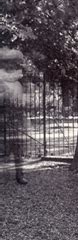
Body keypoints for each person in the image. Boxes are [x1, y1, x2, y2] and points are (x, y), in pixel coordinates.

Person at [0, 47, 27, 185]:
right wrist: (4, 97)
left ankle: (19, 175)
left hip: (17, 118)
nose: (10, 65)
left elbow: (23, 100)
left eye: (12, 62)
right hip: (2, 117)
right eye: (6, 62)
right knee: (1, 147)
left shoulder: (17, 81)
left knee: (18, 147)